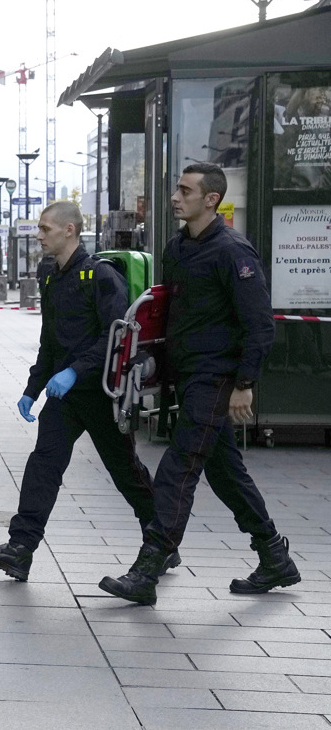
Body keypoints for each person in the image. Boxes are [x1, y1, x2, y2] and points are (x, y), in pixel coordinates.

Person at [100, 163, 295, 605]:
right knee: (226, 473)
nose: (175, 197)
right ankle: (274, 557)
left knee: (179, 467)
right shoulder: (178, 247)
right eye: (177, 189)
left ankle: (148, 568)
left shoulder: (232, 251)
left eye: (185, 191)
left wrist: (245, 382)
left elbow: (259, 323)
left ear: (211, 199)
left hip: (216, 377)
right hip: (187, 377)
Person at [0, 201, 163, 582]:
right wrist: (33, 387)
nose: (39, 235)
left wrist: (75, 370)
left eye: (45, 229)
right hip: (65, 397)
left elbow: (115, 334)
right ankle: (20, 549)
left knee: (126, 472)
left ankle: (161, 541)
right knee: (44, 464)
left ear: (69, 230)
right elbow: (50, 341)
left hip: (102, 393)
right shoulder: (51, 276)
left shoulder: (102, 277)